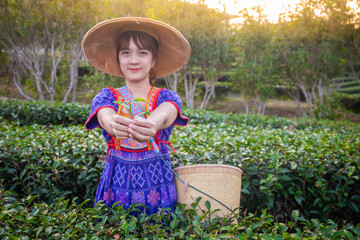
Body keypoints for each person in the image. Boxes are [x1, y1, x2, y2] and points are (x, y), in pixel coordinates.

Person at [82, 17, 191, 215]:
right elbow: (105, 116)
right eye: (126, 52)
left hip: (159, 190)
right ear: (118, 58)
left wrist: (152, 124)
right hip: (114, 191)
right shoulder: (107, 97)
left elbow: (166, 113)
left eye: (142, 52)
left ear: (153, 59)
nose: (134, 60)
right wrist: (112, 123)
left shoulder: (166, 97)